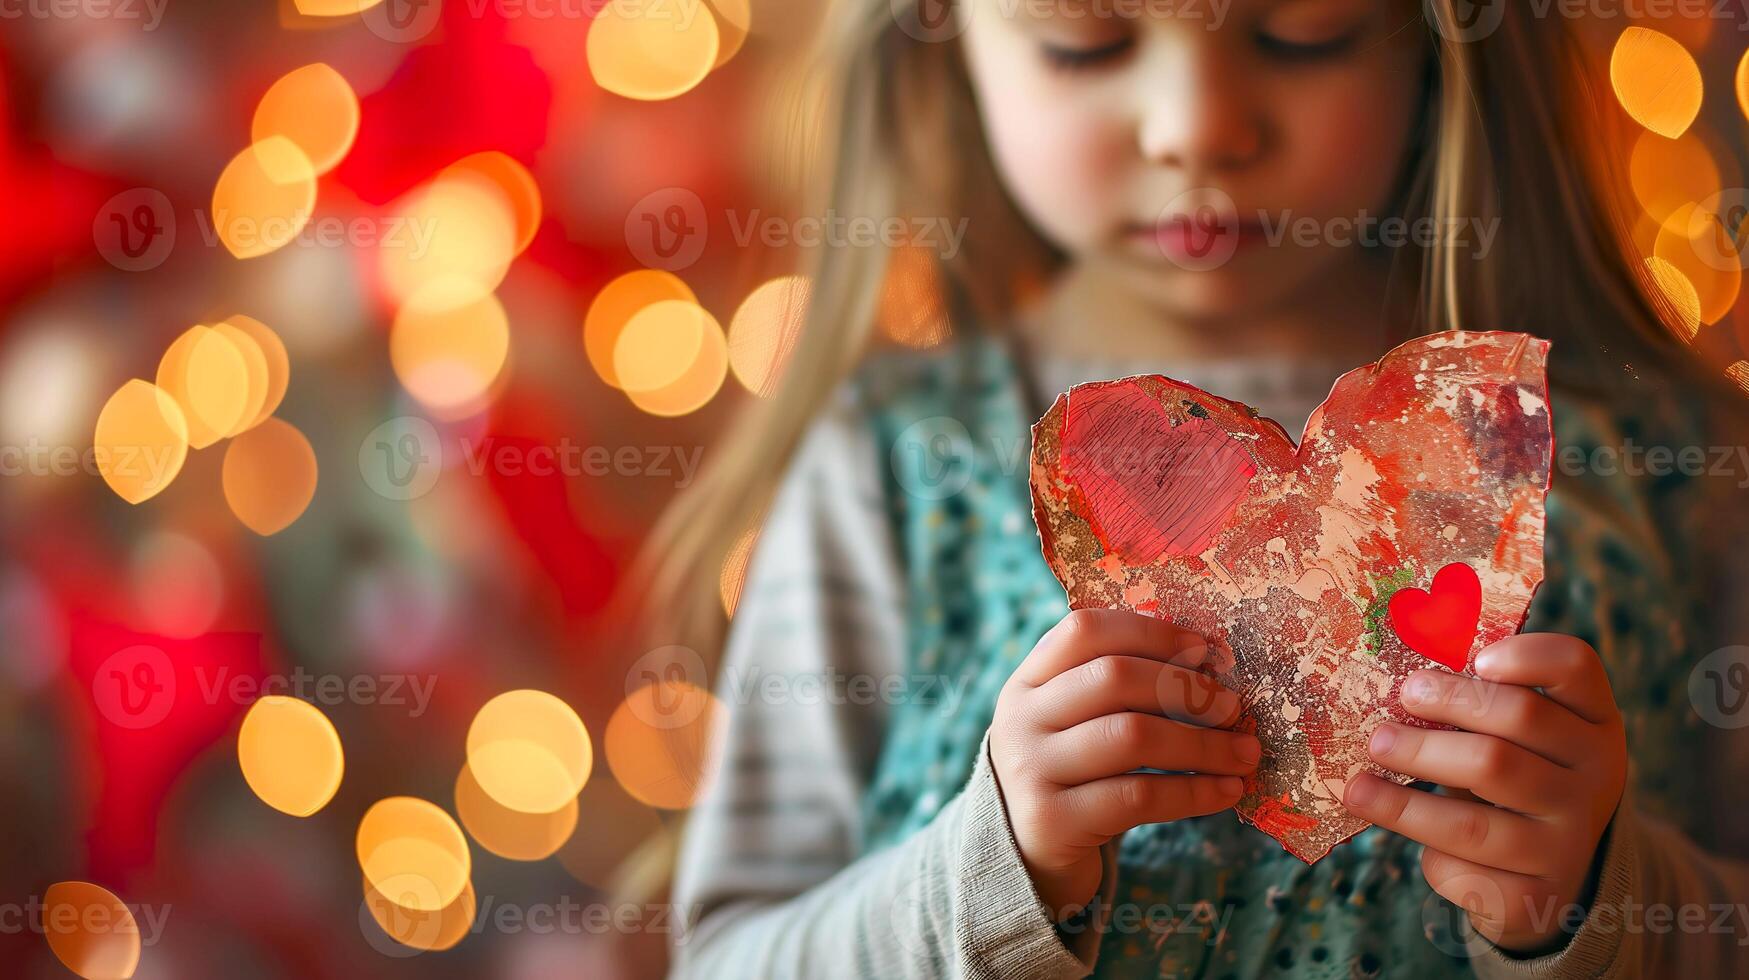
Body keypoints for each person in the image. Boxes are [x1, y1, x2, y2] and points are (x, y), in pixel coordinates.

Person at [641, 1, 1749, 976]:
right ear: (943, 38)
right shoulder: (891, 469)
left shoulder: (1665, 469)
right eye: (1087, 42)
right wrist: (995, 872)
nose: (1199, 128)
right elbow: (734, 956)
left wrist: (1599, 903)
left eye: (1302, 33)